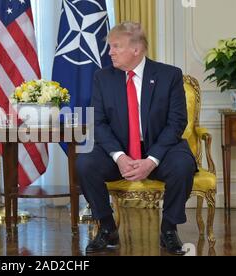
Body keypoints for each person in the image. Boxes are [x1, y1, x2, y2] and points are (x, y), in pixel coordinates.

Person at [77, 22, 197, 255]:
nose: (110, 52)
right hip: (119, 149)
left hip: (159, 146)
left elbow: (176, 123)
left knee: (183, 165)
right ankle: (107, 228)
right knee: (85, 163)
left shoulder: (169, 75)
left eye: (116, 46)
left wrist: (151, 160)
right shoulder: (103, 77)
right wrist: (120, 157)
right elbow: (98, 123)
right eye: (110, 47)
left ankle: (169, 230)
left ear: (137, 49)